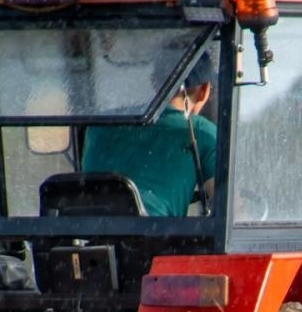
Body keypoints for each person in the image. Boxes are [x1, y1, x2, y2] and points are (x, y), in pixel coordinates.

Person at [80, 53, 217, 217]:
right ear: (204, 91)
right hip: (153, 239)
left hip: (88, 235)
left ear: (155, 82)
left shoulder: (100, 126)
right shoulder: (200, 131)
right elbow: (229, 209)